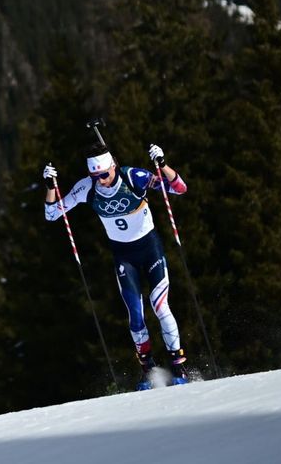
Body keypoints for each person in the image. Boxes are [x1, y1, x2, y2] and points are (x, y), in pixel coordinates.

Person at [44, 143, 192, 384]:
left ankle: (178, 367)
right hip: (124, 257)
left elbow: (179, 188)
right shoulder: (87, 187)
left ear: (113, 166)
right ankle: (149, 371)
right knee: (135, 315)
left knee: (161, 307)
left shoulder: (133, 177)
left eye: (104, 175)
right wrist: (51, 187)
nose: (101, 181)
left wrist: (163, 165)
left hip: (150, 250)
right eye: (96, 176)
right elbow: (51, 214)